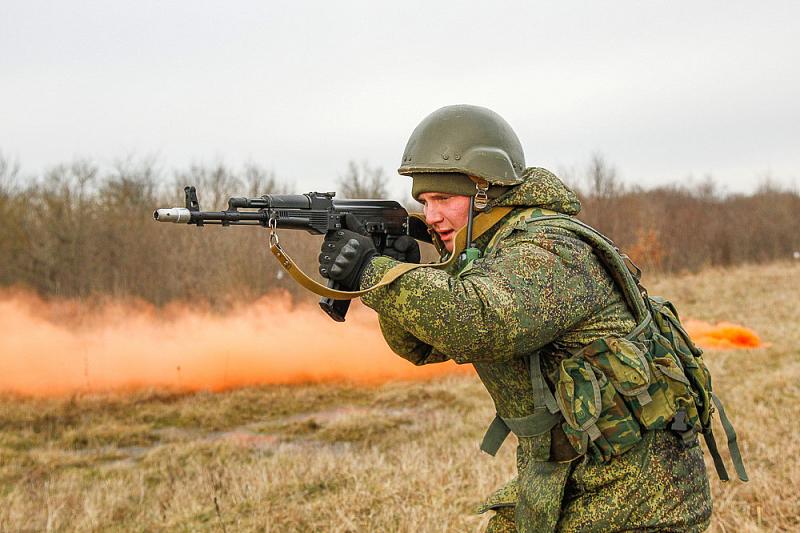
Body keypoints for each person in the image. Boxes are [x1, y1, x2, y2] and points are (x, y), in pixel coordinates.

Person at [318, 105, 712, 532]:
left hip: (640, 498)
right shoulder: (487, 252)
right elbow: (422, 346)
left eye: (444, 199)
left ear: (486, 189)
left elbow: (480, 327)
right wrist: (397, 275)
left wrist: (376, 273)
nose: (430, 216)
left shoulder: (548, 249)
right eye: (425, 201)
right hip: (567, 481)